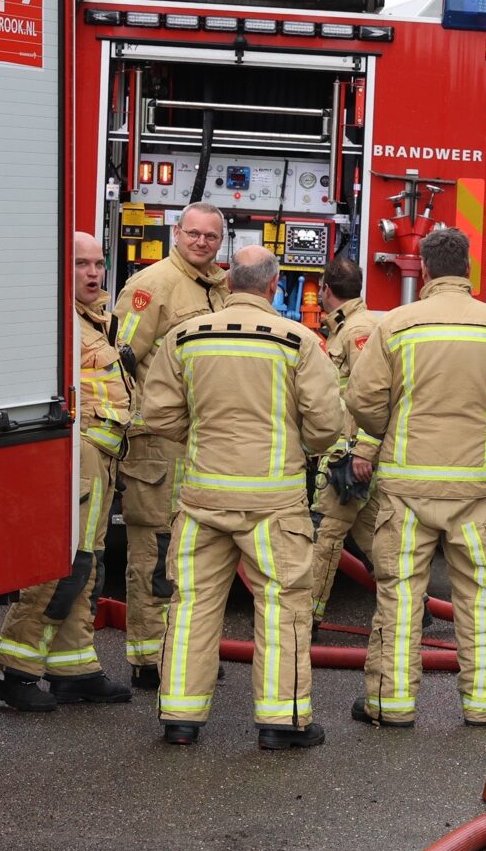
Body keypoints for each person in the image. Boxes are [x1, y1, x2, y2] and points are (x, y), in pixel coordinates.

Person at [138, 245, 346, 749]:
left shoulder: (184, 338)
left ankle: (180, 719)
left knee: (191, 605)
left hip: (203, 497)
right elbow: (325, 426)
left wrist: (204, 440)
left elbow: (157, 413)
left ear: (228, 281)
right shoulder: (299, 342)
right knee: (283, 606)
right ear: (274, 285)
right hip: (274, 504)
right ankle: (281, 722)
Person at [347, 228, 486, 728]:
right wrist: (480, 425)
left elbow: (363, 402)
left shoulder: (396, 325)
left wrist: (393, 430)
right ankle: (485, 706)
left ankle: (390, 706)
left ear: (426, 270)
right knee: (481, 598)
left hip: (405, 490)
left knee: (400, 597)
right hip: (474, 489)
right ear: (470, 271)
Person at [0, 232, 135, 711]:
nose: (92, 273)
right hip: (77, 456)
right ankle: (12, 670)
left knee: (85, 566)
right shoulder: (56, 323)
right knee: (62, 565)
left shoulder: (96, 322)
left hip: (102, 459)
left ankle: (74, 669)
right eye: (80, 265)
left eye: (98, 263)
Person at [112, 203, 230, 689]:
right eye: (193, 234)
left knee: (191, 552)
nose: (201, 243)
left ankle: (178, 651)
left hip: (199, 443)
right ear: (175, 232)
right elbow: (119, 359)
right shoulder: (152, 285)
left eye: (211, 236)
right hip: (157, 444)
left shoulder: (218, 286)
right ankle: (149, 657)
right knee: (155, 548)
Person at [310, 258, 382, 621]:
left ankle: (306, 620)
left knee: (325, 535)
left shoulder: (358, 331)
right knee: (374, 537)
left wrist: (363, 450)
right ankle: (414, 608)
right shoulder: (347, 328)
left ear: (326, 290)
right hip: (348, 452)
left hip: (351, 456)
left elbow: (372, 395)